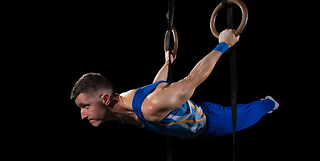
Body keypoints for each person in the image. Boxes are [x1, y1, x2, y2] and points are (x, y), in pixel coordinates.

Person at [70, 29, 279, 140]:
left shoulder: (150, 106)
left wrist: (224, 43)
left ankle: (269, 103)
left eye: (84, 106)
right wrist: (167, 61)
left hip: (212, 123)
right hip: (192, 127)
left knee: (257, 109)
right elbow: (157, 86)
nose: (82, 115)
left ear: (105, 99)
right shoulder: (123, 105)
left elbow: (192, 79)